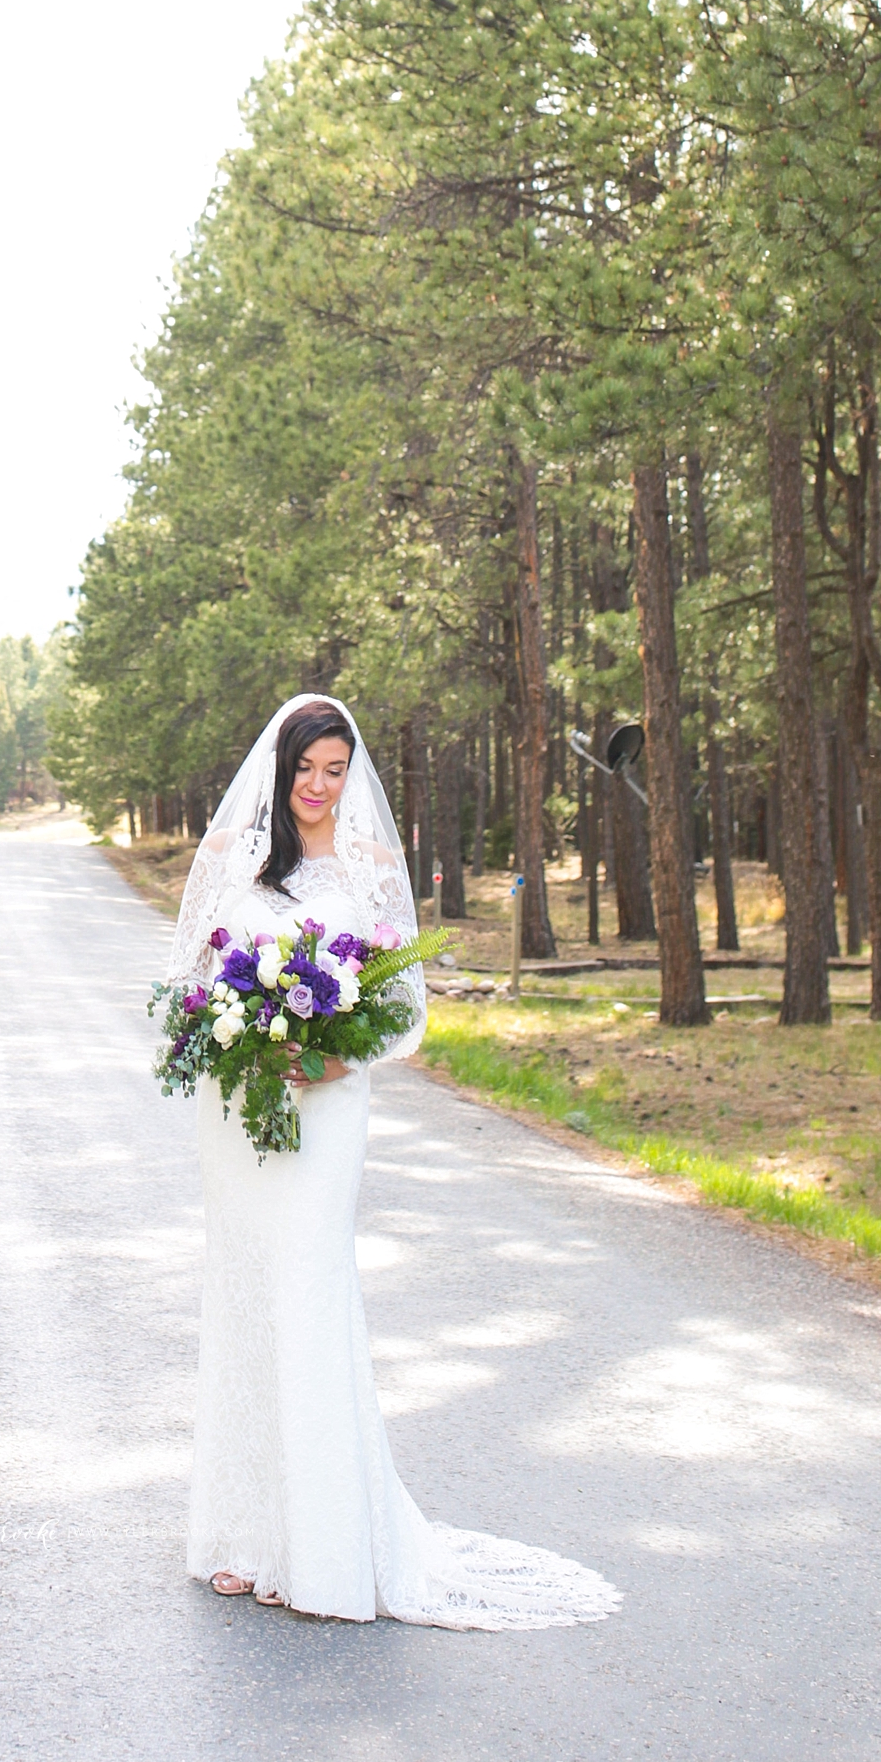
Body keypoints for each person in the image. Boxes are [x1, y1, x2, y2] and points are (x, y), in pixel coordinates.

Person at [174, 691, 620, 1629]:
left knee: (308, 1294)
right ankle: (246, 1535)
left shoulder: (374, 867)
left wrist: (333, 1054)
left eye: (335, 770)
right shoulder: (228, 860)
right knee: (249, 1299)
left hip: (328, 1111)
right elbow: (191, 986)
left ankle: (320, 1542)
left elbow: (408, 1010)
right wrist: (241, 1037)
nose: (319, 786)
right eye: (305, 768)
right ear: (279, 766)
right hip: (240, 1115)